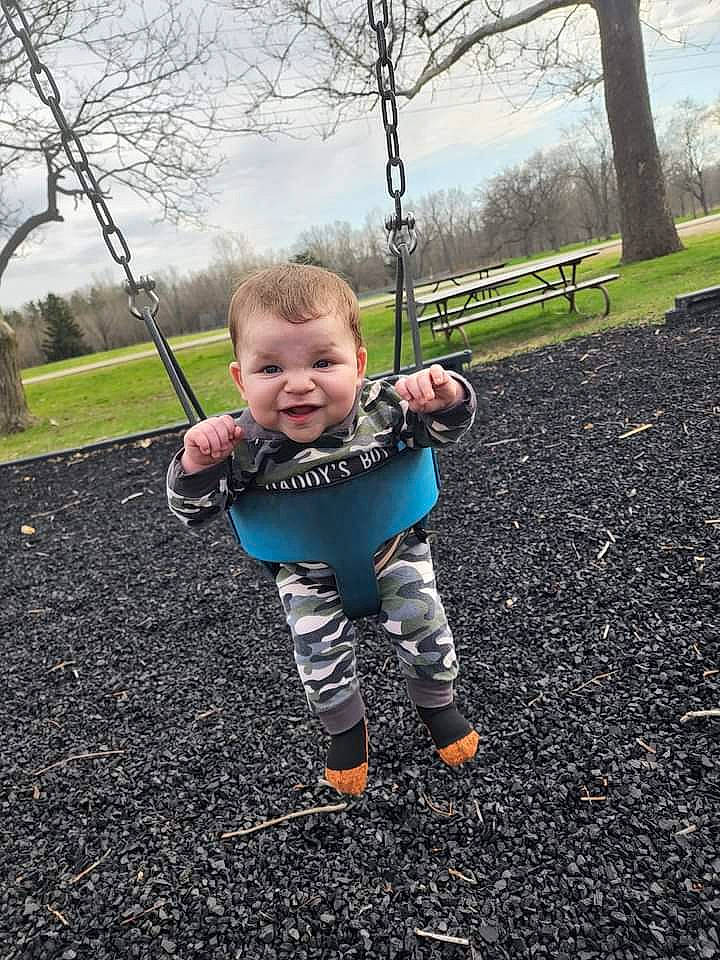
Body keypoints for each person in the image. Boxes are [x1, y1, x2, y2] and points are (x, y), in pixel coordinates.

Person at [166, 263, 479, 796]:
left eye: (322, 361)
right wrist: (197, 464)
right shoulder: (237, 445)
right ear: (241, 379)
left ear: (357, 365)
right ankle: (346, 732)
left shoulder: (385, 409)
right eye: (270, 369)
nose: (298, 383)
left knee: (426, 630)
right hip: (306, 575)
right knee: (319, 661)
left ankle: (438, 706)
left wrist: (445, 398)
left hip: (395, 552)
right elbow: (193, 511)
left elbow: (448, 431)